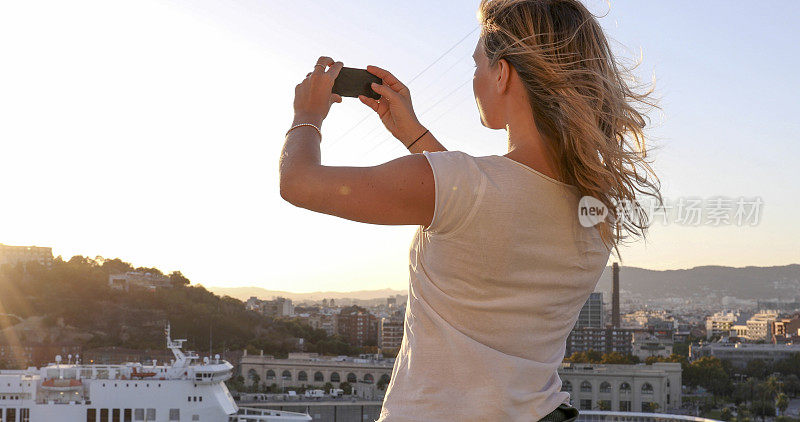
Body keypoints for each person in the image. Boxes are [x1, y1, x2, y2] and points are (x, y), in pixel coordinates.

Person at [279, 0, 662, 420]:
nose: (475, 79)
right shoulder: (596, 207)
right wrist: (414, 135)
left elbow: (298, 183)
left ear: (503, 73)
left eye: (478, 66)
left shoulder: (466, 186)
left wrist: (307, 114)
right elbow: (482, 213)